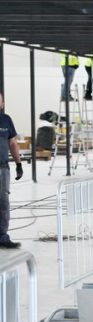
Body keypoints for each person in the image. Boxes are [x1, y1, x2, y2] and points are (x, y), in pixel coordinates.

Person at [0, 93, 25, 249]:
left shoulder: (6, 120)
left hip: (2, 168)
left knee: (3, 203)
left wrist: (18, 164)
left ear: (2, 103)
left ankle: (2, 237)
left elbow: (13, 144)